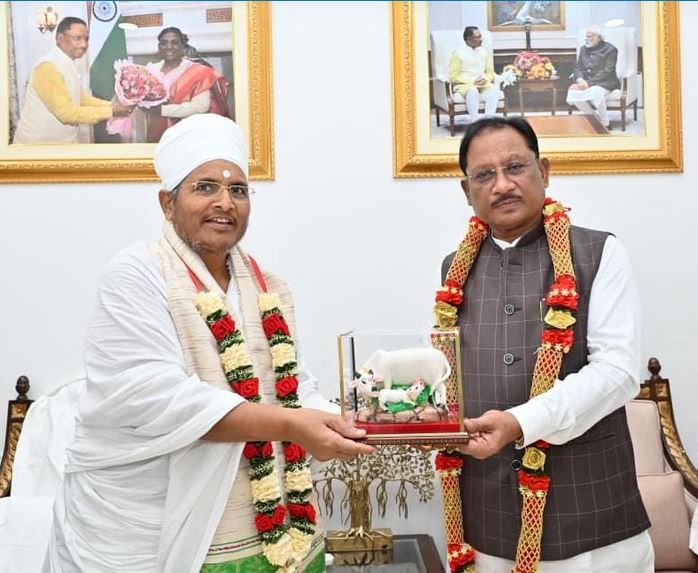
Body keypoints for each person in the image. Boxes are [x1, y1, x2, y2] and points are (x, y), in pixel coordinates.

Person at [43, 114, 374, 572]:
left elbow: (291, 383)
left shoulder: (268, 285)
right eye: (205, 187)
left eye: (238, 189)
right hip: (146, 526)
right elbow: (157, 398)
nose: (225, 202)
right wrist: (292, 425)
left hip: (262, 520)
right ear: (167, 203)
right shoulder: (136, 274)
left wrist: (346, 422)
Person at [433, 117, 653, 572]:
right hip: (487, 516)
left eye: (515, 167)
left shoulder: (599, 252)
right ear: (467, 191)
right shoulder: (453, 268)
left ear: (544, 171)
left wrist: (521, 422)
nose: (502, 185)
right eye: (484, 175)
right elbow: (447, 375)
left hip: (592, 518)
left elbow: (618, 373)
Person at [13, 17, 132, 144]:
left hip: (58, 145)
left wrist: (113, 105)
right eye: (78, 38)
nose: (84, 45)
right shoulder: (47, 66)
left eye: (86, 39)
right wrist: (113, 111)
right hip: (36, 147)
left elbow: (82, 100)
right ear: (60, 38)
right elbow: (67, 113)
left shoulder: (67, 63)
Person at [145, 27, 230, 143]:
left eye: (175, 42)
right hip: (156, 132)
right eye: (164, 43)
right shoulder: (150, 70)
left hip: (186, 135)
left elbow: (200, 107)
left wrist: (161, 110)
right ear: (159, 47)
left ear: (182, 46)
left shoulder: (198, 71)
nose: (169, 46)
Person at [566, 26, 620, 130]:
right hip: (585, 81)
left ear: (599, 38)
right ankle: (595, 118)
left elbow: (607, 71)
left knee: (596, 92)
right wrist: (580, 80)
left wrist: (588, 83)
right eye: (587, 36)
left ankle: (605, 122)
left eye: (591, 37)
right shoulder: (583, 48)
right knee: (572, 92)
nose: (587, 39)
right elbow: (578, 67)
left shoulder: (611, 49)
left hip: (605, 82)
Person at [448, 26, 502, 123]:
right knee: (472, 91)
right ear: (468, 39)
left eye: (480, 36)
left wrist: (485, 79)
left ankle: (488, 121)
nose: (481, 39)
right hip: (465, 85)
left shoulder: (484, 52)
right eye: (478, 37)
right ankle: (475, 122)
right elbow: (453, 76)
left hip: (483, 83)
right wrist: (473, 81)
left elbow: (490, 72)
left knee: (494, 90)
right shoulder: (457, 53)